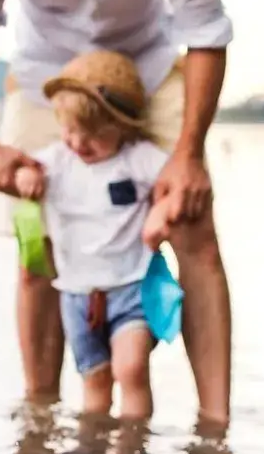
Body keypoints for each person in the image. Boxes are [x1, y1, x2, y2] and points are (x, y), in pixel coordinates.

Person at [0, 0, 233, 425]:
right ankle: (40, 423)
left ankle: (216, 431)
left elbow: (205, 35)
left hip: (144, 72)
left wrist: (189, 154)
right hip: (46, 80)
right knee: (34, 244)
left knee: (193, 224)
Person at [11, 50, 178, 420]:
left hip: (131, 288)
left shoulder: (138, 158)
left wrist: (161, 212)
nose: (79, 143)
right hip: (76, 296)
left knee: (131, 369)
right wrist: (27, 177)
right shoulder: (57, 160)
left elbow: (174, 183)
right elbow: (23, 170)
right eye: (70, 131)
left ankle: (132, 446)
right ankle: (95, 448)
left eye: (94, 136)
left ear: (123, 127)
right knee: (95, 381)